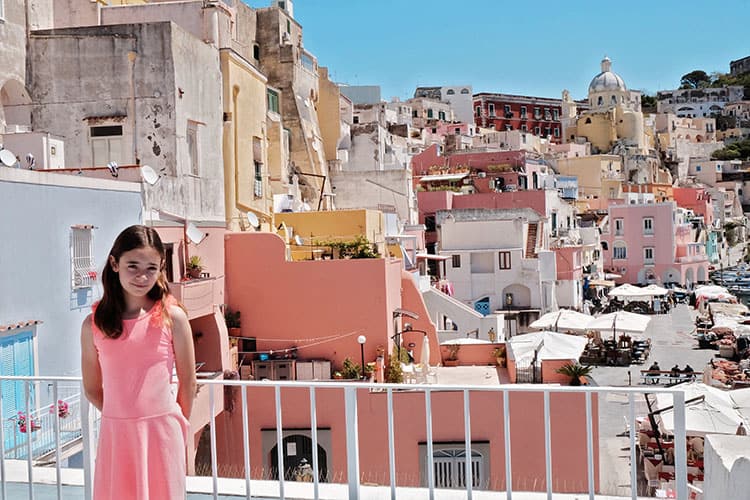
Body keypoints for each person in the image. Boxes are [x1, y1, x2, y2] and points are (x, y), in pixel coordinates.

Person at [81, 225, 196, 500]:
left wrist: (173, 422)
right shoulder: (93, 325)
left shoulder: (173, 317)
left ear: (161, 269)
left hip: (162, 436)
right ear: (114, 263)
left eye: (151, 268)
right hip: (116, 436)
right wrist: (123, 415)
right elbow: (92, 388)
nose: (142, 276)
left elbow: (189, 382)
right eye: (132, 265)